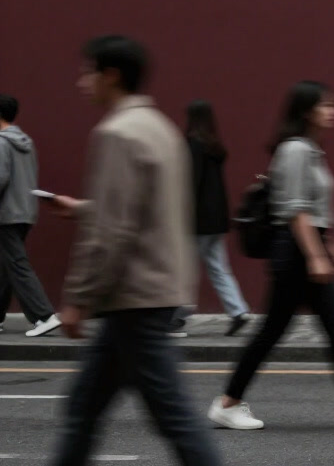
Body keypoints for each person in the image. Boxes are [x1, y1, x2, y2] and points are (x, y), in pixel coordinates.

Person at [48, 35, 221, 466]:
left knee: (175, 417)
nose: (81, 82)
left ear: (112, 76)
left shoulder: (116, 133)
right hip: (157, 291)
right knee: (83, 407)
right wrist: (85, 208)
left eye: (88, 72)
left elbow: (113, 231)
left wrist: (78, 298)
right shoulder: (161, 129)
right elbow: (147, 210)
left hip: (133, 299)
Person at [208, 81, 334, 430]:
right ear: (306, 111)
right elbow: (295, 210)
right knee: (274, 332)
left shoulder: (310, 149)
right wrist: (316, 254)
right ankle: (228, 403)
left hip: (305, 246)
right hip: (295, 252)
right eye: (325, 105)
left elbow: (312, 209)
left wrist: (328, 244)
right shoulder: (297, 150)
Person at [171, 100, 250, 338]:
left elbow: (191, 184)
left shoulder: (193, 145)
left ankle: (177, 316)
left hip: (199, 221)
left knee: (185, 268)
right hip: (216, 220)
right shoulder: (214, 147)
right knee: (219, 268)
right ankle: (238, 311)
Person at [0, 94, 60, 337]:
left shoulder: (1, 143)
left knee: (16, 264)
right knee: (5, 266)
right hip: (24, 212)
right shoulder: (25, 141)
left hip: (4, 213)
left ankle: (43, 315)